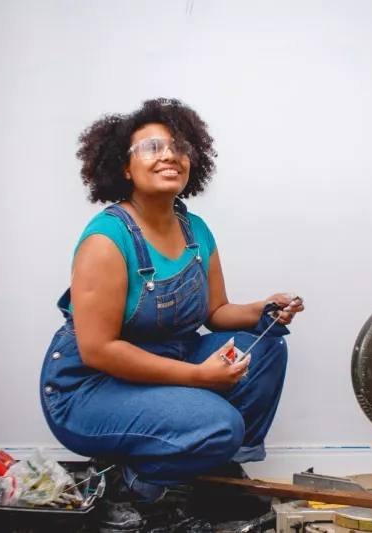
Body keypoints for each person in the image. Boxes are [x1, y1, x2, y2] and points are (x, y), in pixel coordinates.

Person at [39, 97, 305, 503]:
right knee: (220, 424)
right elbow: (98, 350)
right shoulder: (107, 240)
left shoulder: (195, 229)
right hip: (92, 388)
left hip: (170, 360)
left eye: (179, 148)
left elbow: (216, 313)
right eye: (151, 147)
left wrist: (262, 309)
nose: (169, 156)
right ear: (124, 167)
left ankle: (218, 472)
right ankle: (134, 484)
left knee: (266, 347)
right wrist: (199, 377)